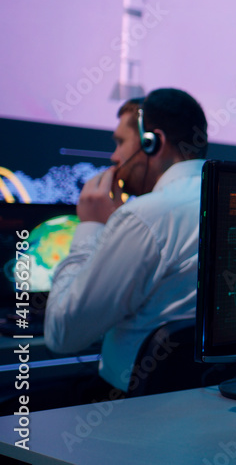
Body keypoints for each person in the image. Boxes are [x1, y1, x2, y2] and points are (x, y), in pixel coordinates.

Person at [45, 88, 209, 397]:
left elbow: (62, 333)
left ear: (153, 143)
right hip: (213, 401)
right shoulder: (228, 199)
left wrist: (91, 225)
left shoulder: (145, 217)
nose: (114, 157)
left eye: (121, 142)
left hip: (133, 410)